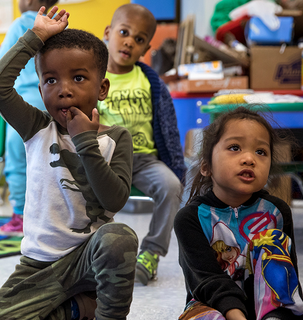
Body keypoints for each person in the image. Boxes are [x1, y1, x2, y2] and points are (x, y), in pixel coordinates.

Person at [0, 6, 138, 320]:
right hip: (38, 265)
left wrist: (85, 143)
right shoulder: (36, 127)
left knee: (119, 238)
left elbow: (115, 198)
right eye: (51, 80)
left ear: (102, 88)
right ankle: (77, 309)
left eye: (78, 78)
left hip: (88, 261)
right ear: (40, 90)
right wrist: (34, 37)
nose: (64, 90)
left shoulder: (117, 138)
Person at [174, 106, 303, 320]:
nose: (249, 159)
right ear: (206, 166)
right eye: (235, 147)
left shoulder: (277, 212)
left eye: (261, 152)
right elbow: (206, 281)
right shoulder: (190, 218)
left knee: (271, 241)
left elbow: (287, 279)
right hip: (211, 305)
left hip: (269, 310)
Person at [98, 3, 186, 285]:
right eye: (124, 32)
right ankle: (89, 252)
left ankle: (151, 253)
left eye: (139, 40)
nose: (129, 42)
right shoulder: (93, 75)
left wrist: (175, 163)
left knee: (172, 186)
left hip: (144, 159)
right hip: (105, 160)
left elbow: (167, 126)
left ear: (146, 48)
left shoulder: (151, 82)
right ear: (108, 33)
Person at [0, 0, 59, 237]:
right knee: (52, 160)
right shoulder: (56, 26)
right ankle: (50, 214)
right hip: (51, 99)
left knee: (19, 162)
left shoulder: (20, 25)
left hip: (21, 102)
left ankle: (20, 215)